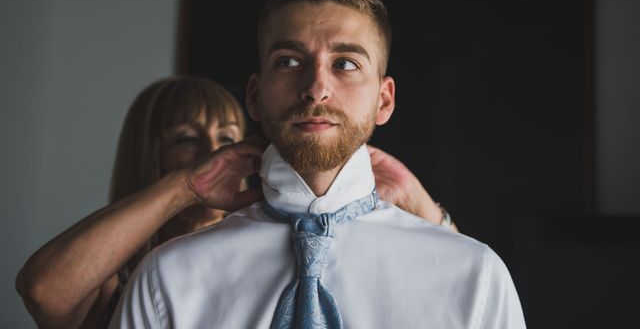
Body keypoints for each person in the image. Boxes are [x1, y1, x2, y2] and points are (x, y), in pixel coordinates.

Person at [109, 0, 526, 328]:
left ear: (384, 100)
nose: (315, 89)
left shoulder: (475, 276)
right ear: (255, 96)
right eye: (289, 61)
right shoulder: (168, 278)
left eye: (345, 63)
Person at [16, 75, 451, 329]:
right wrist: (184, 187)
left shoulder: (289, 253)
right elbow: (44, 290)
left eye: (226, 136)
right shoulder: (124, 290)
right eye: (186, 139)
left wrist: (419, 205)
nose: (211, 149)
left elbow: (454, 293)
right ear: (149, 155)